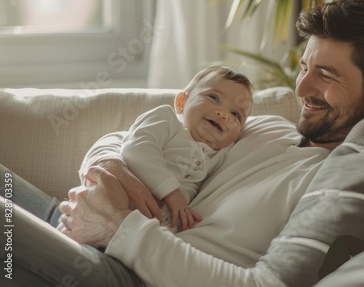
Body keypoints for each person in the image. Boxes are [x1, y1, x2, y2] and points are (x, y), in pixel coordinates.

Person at [0, 0, 364, 286]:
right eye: (305, 67)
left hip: (122, 275)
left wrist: (118, 229)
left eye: (326, 75)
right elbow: (149, 134)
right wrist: (108, 165)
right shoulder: (272, 129)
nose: (302, 86)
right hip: (91, 228)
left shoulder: (340, 186)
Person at [90, 66, 252, 232]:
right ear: (182, 102)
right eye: (213, 97)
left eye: (236, 115)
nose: (224, 114)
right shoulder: (167, 121)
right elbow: (136, 149)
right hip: (109, 207)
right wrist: (172, 193)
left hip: (153, 230)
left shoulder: (224, 154)